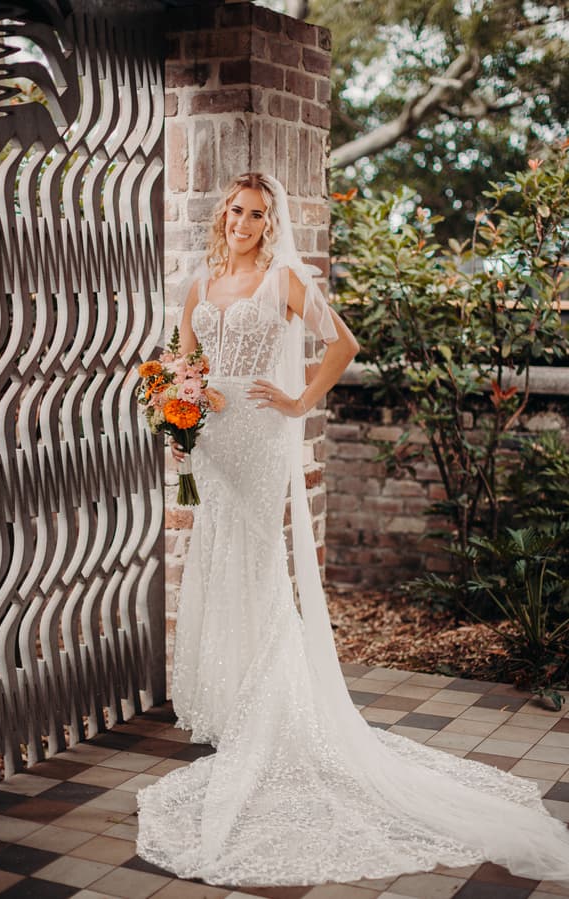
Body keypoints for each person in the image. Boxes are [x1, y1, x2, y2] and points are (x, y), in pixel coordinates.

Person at [137, 172, 569, 887]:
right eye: (236, 212)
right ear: (222, 217)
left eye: (256, 214)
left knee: (259, 562)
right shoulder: (199, 282)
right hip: (214, 440)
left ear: (270, 222)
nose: (243, 223)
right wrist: (181, 413)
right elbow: (186, 363)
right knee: (220, 557)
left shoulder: (282, 281)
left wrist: (299, 398)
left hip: (261, 433)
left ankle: (275, 716)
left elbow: (343, 342)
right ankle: (245, 709)